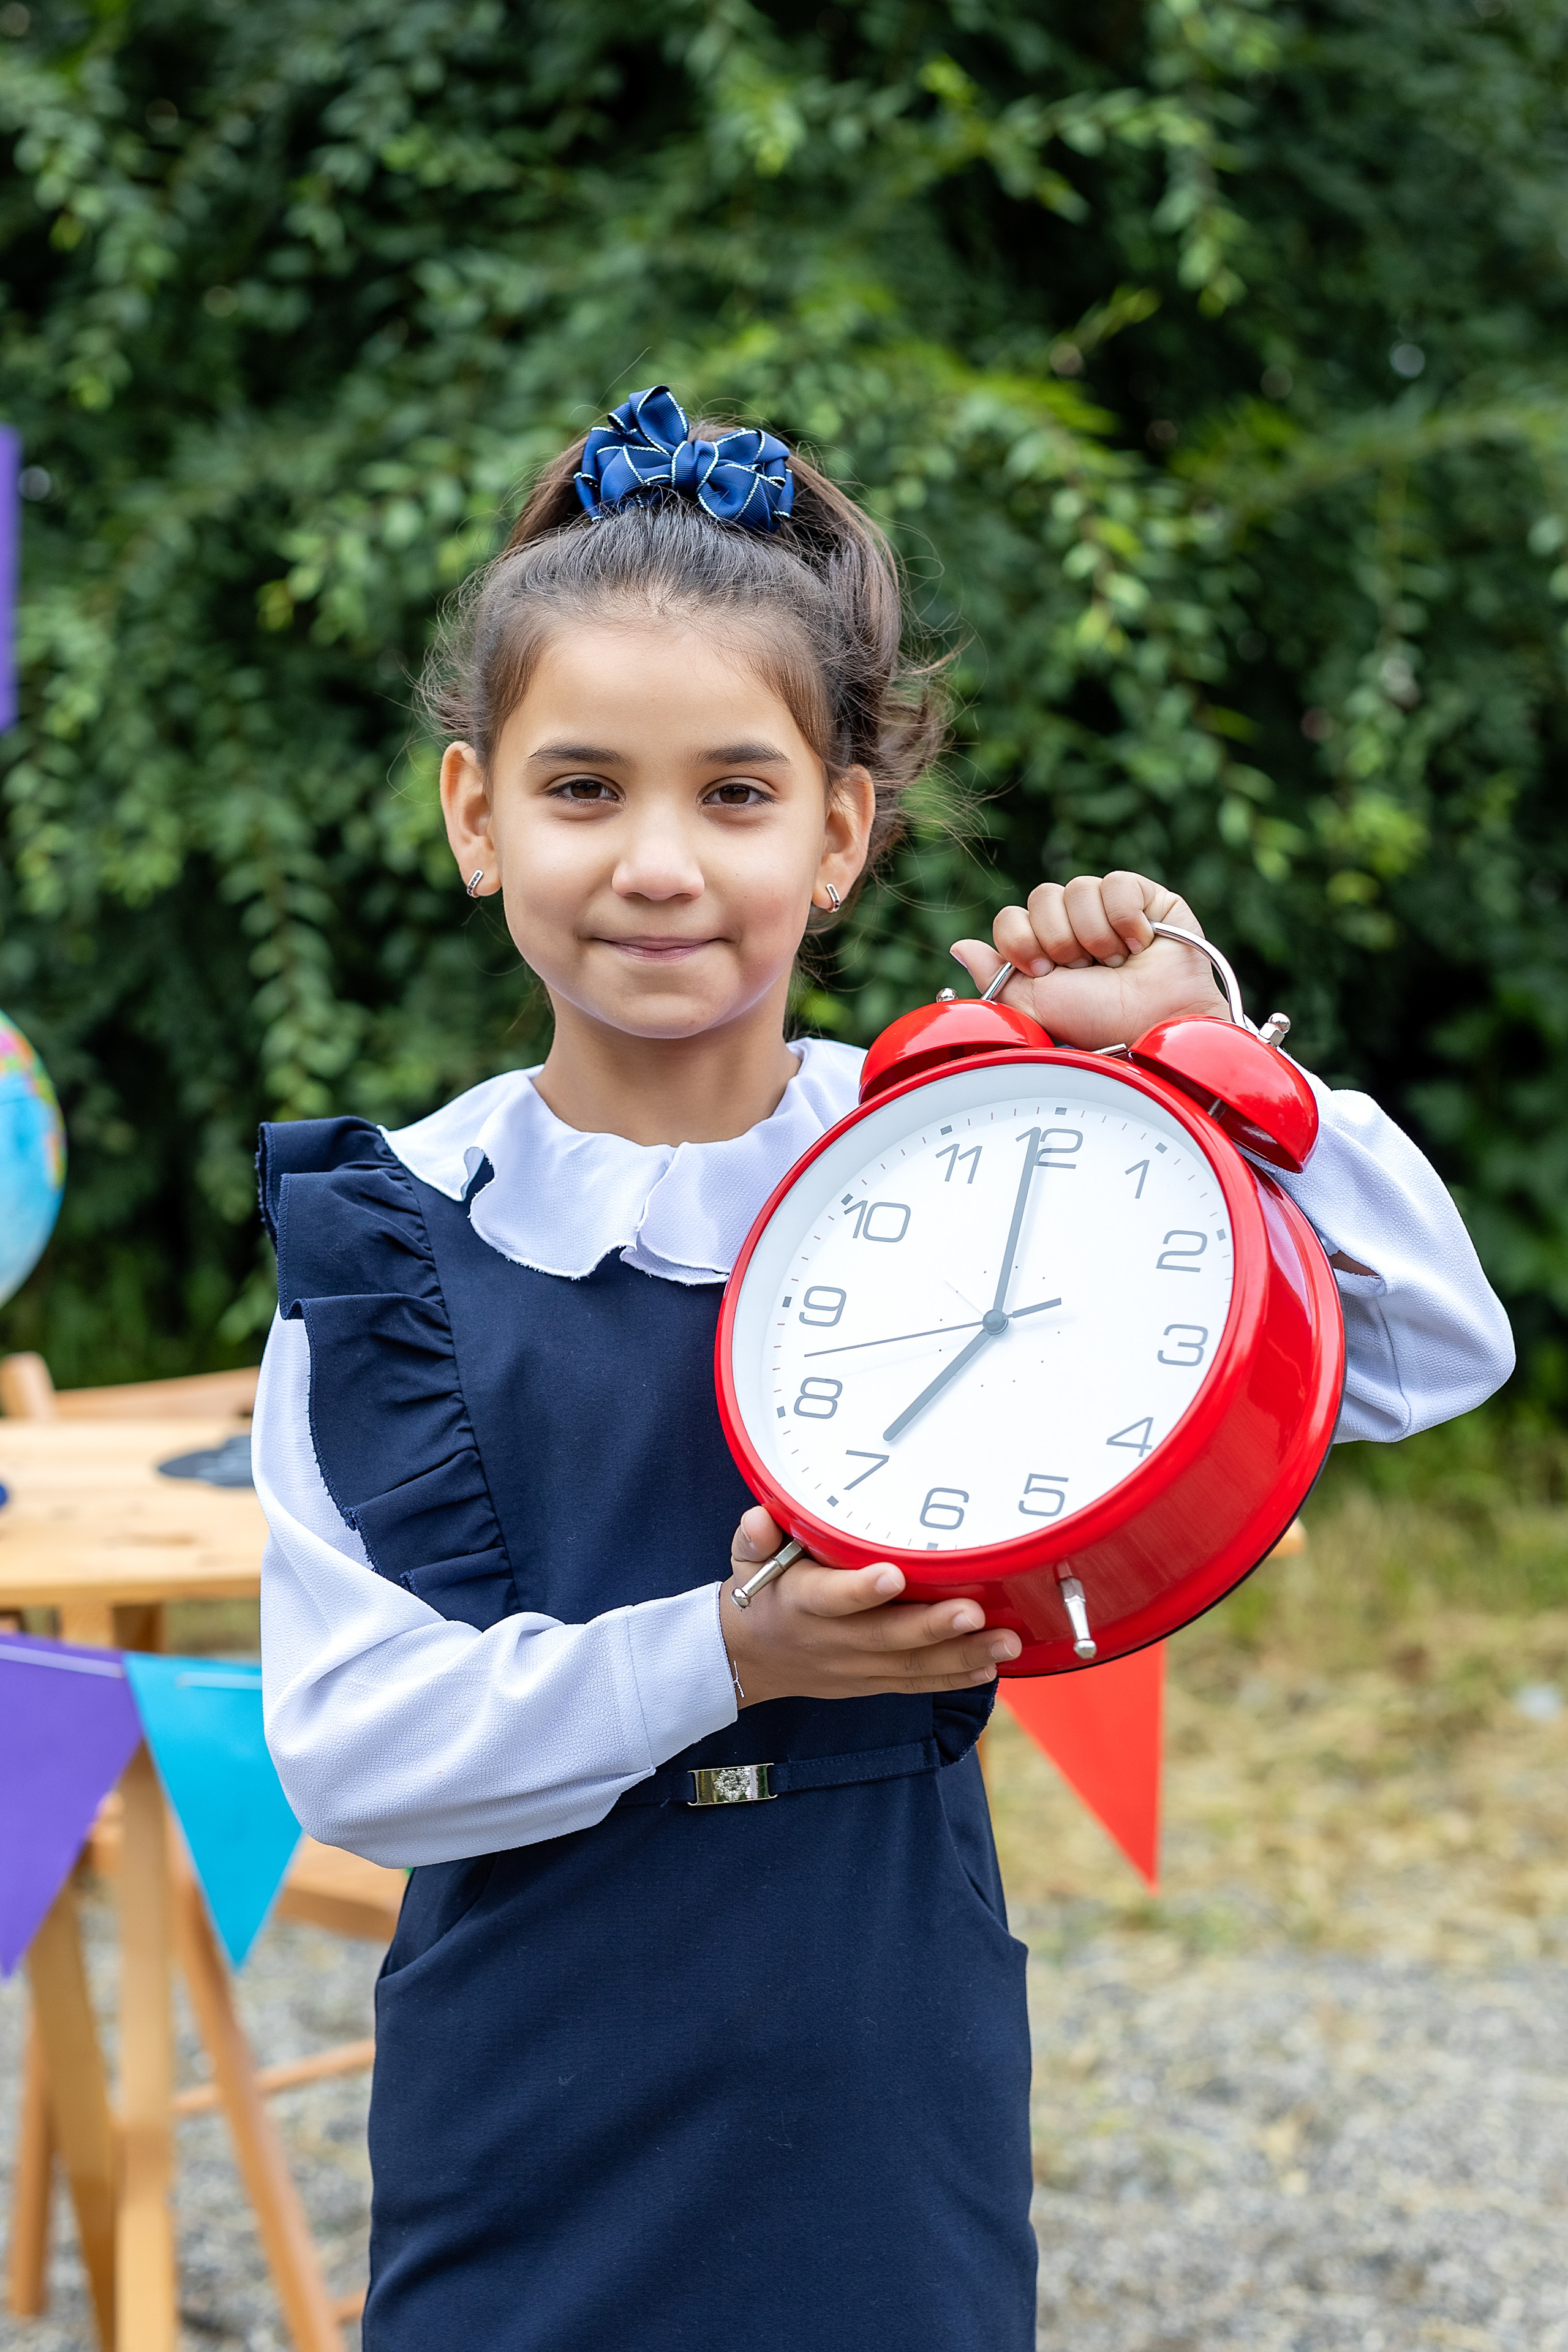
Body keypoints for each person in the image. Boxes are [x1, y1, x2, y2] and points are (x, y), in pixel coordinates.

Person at [254, 386, 1514, 2352]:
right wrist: (733, 1653)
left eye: (736, 793)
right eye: (584, 788)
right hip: (525, 2121)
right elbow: (354, 1750)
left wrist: (1200, 1053)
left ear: (840, 835)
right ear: (474, 816)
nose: (659, 862)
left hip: (880, 2088)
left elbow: (1432, 1348)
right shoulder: (395, 1245)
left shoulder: (988, 1151)